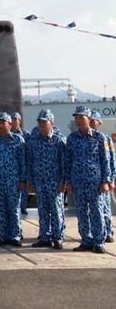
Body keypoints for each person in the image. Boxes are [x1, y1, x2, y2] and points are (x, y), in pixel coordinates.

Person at [66, 106, 111, 253]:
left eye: (81, 117)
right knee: (81, 212)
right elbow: (68, 160)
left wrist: (106, 181)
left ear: (89, 119)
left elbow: (105, 160)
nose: (78, 120)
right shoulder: (72, 138)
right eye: (77, 117)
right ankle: (86, 240)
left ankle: (99, 241)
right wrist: (68, 181)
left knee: (97, 211)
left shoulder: (99, 138)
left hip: (95, 182)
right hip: (78, 182)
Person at [26, 109, 66, 249]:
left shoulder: (58, 140)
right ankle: (45, 237)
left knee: (56, 210)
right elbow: (30, 162)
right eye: (39, 122)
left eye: (44, 121)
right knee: (42, 210)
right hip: (39, 182)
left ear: (52, 123)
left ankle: (58, 237)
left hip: (54, 182)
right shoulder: (34, 141)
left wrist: (63, 182)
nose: (41, 124)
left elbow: (64, 163)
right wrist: (31, 181)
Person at [0, 112, 27, 247]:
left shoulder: (18, 140)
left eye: (4, 123)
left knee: (14, 209)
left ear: (10, 124)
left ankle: (15, 235)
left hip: (13, 181)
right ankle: (2, 235)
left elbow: (23, 162)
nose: (1, 125)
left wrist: (23, 180)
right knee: (1, 209)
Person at [90, 110, 115, 243]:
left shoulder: (105, 139)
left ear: (99, 123)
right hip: (92, 180)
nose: (92, 123)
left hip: (103, 179)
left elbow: (111, 161)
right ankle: (95, 233)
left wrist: (110, 179)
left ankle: (108, 231)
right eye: (91, 120)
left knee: (105, 207)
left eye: (94, 121)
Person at [11, 112, 31, 216]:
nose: (13, 121)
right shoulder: (6, 134)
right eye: (12, 119)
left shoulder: (25, 134)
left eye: (15, 119)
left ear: (20, 121)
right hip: (11, 167)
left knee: (23, 187)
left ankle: (23, 207)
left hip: (23, 164)